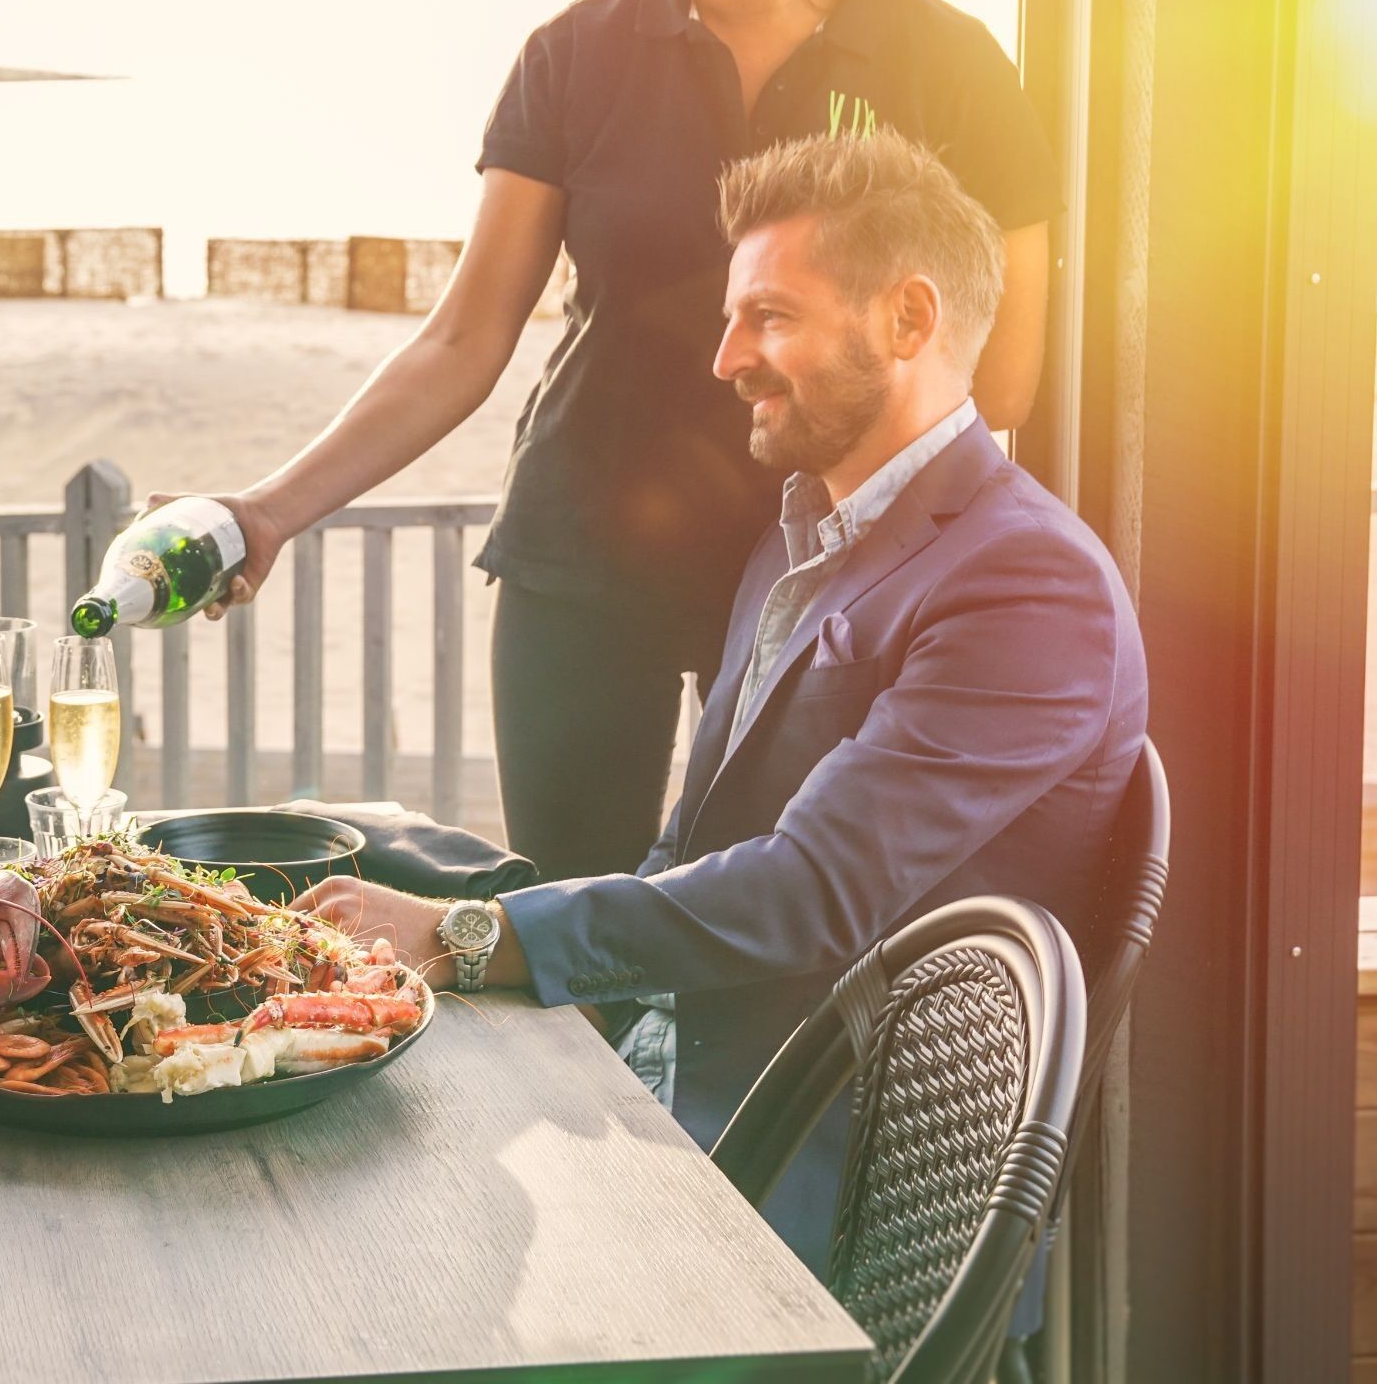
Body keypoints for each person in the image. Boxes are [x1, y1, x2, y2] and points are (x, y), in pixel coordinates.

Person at [181, 0, 1059, 883]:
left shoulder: (949, 69)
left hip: (833, 584)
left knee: (790, 943)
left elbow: (1001, 377)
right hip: (589, 564)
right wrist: (266, 510)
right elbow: (463, 340)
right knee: (565, 947)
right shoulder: (576, 55)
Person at [298, 133, 1143, 1269]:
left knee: (357, 1242)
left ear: (907, 320)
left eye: (772, 318)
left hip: (820, 1184)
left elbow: (809, 893)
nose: (725, 358)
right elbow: (696, 847)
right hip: (677, 1085)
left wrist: (470, 938)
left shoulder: (1028, 583)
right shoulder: (802, 535)